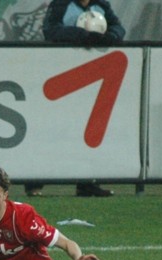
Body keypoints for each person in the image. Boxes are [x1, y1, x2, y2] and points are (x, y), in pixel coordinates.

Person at [24, 0, 126, 199]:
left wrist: (110, 37)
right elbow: (51, 31)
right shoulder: (61, 4)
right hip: (61, 74)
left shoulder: (101, 5)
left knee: (88, 130)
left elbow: (118, 27)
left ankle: (87, 182)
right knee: (52, 128)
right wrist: (82, 35)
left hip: (93, 76)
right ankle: (35, 182)